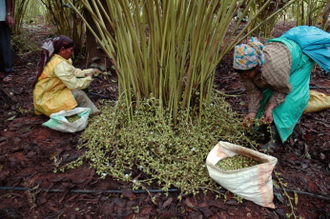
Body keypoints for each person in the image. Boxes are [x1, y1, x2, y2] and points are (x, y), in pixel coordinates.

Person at [233, 36, 314, 152]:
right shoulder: (244, 66)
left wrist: (270, 108)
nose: (245, 76)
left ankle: (276, 138)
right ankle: (263, 128)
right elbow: (253, 91)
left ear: (257, 65)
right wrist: (252, 112)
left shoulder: (272, 70)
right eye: (242, 74)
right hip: (279, 54)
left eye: (248, 73)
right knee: (266, 96)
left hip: (298, 61)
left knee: (289, 101)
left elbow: (282, 89)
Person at [33, 35, 101, 117]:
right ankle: (94, 115)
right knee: (79, 94)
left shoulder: (56, 59)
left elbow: (73, 72)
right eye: (71, 50)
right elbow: (74, 85)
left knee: (80, 84)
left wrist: (90, 71)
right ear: (62, 50)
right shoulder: (59, 64)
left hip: (47, 95)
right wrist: (89, 78)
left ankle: (79, 110)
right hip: (47, 101)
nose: (72, 53)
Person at [0, 0, 15, 82]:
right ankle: (1, 71)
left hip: (1, 18)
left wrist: (8, 14)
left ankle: (8, 71)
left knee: (4, 45)